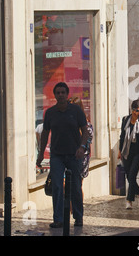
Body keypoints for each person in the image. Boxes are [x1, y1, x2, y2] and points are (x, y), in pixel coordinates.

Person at [36, 82, 88, 228]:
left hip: (74, 155)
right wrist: (41, 155)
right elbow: (45, 134)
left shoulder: (76, 111)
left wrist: (82, 147)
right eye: (58, 93)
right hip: (57, 155)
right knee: (57, 187)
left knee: (76, 187)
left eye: (63, 92)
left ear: (67, 94)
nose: (60, 95)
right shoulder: (50, 113)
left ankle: (78, 217)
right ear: (55, 95)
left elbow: (84, 131)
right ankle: (58, 219)